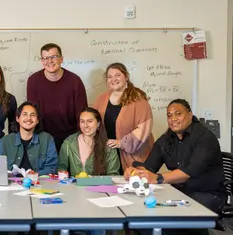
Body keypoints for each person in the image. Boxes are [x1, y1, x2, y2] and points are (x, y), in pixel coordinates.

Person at [124, 99, 225, 235]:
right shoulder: (167, 138)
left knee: (172, 222)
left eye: (178, 114)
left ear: (190, 114)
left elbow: (189, 171)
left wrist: (159, 178)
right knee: (140, 218)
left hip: (207, 193)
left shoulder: (204, 137)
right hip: (180, 191)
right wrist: (135, 171)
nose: (173, 119)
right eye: (169, 115)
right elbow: (150, 166)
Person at [93, 62, 153, 172]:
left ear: (126, 77)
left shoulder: (138, 100)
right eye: (109, 76)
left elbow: (144, 129)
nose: (113, 79)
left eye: (117, 75)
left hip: (133, 156)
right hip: (109, 155)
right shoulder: (101, 99)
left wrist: (121, 143)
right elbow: (94, 122)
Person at [27, 43, 87, 152]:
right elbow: (32, 112)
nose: (49, 61)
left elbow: (82, 113)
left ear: (61, 59)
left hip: (71, 139)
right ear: (42, 61)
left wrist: (80, 141)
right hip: (42, 139)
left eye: (53, 57)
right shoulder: (33, 81)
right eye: (45, 58)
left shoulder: (75, 81)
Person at [0, 101, 57, 175]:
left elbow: (52, 168)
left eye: (33, 115)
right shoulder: (5, 141)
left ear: (37, 120)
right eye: (25, 114)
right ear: (17, 118)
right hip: (11, 184)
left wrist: (35, 174)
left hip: (38, 183)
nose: (28, 118)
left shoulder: (47, 139)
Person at [58, 107, 120, 176]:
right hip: (75, 185)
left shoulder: (108, 146)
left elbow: (113, 175)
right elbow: (61, 167)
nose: (85, 125)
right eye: (82, 121)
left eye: (90, 121)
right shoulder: (69, 143)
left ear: (98, 124)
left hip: (99, 186)